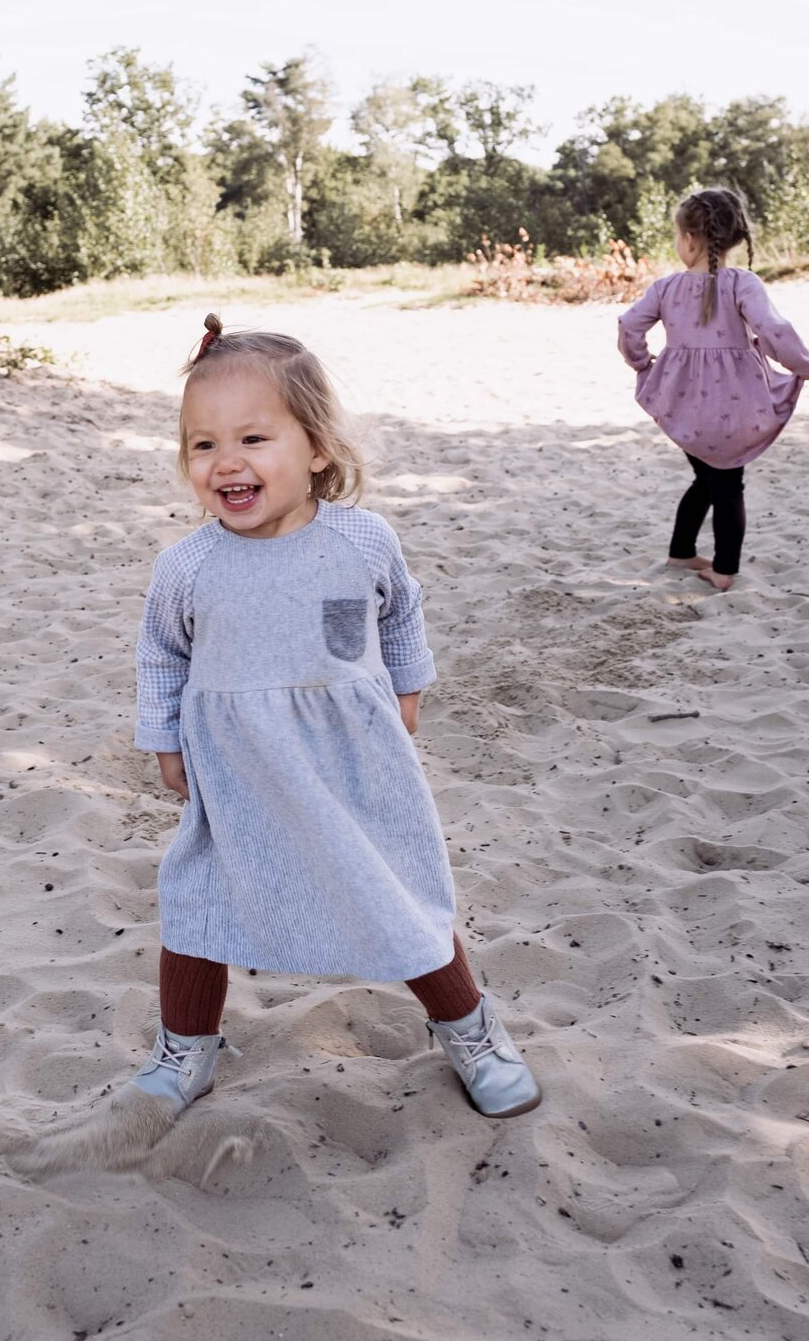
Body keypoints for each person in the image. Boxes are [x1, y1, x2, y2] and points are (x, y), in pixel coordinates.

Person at [126, 313, 539, 1130]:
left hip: (352, 765)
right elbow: (162, 655)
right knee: (199, 905)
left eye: (252, 438)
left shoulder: (361, 541)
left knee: (400, 899)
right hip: (238, 775)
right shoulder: (188, 566)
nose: (226, 462)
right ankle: (187, 1050)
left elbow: (396, 618)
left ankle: (471, 1031)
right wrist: (164, 737)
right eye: (202, 445)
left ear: (315, 447)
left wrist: (406, 691)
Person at [618, 186, 809, 590]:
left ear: (689, 239)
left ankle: (682, 550)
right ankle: (723, 570)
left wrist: (641, 362)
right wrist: (802, 366)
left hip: (682, 402)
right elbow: (773, 329)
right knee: (726, 483)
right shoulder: (743, 282)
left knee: (706, 477)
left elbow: (629, 325)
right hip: (733, 404)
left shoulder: (665, 288)